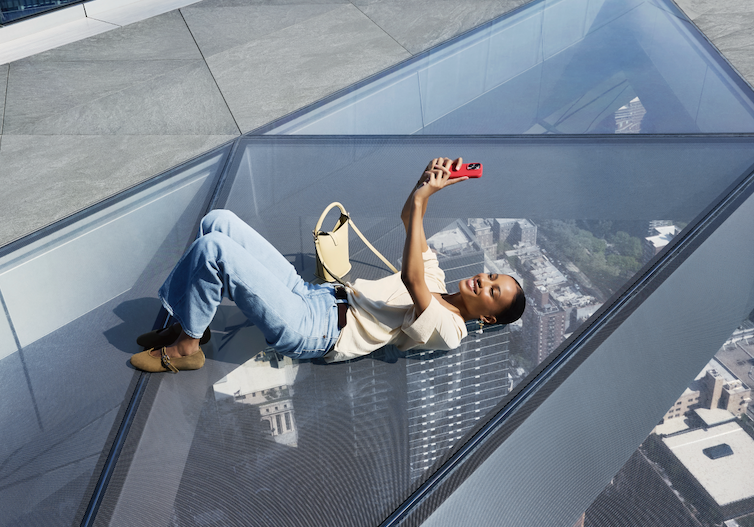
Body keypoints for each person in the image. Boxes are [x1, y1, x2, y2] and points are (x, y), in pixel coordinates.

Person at [130, 156, 526, 373]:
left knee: (215, 248)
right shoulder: (438, 278)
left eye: (494, 291)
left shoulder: (451, 329)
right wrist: (424, 184)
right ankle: (191, 320)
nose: (483, 281)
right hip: (315, 296)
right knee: (218, 222)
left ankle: (187, 346)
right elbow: (409, 220)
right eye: (492, 275)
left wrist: (424, 200)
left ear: (489, 318)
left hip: (315, 330)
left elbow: (410, 278)